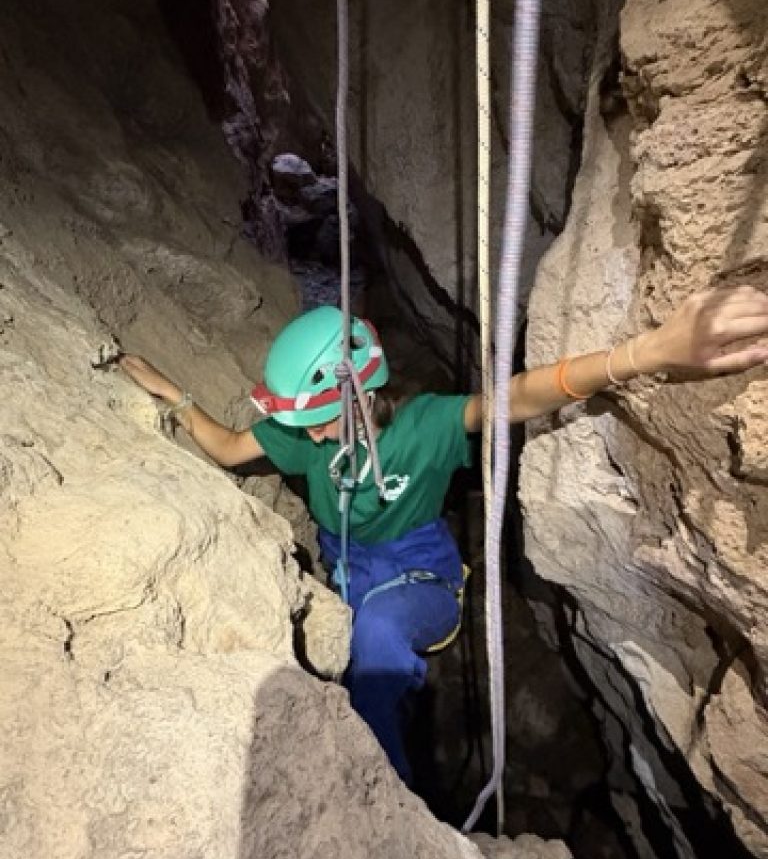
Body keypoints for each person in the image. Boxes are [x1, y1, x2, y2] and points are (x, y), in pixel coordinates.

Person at [120, 285, 768, 781]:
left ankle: (387, 799)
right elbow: (233, 449)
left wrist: (644, 353)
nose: (311, 435)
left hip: (417, 575)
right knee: (346, 635)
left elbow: (516, 397)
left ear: (358, 396)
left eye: (320, 421)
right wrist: (171, 394)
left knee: (373, 638)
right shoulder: (304, 439)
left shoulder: (425, 427)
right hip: (346, 568)